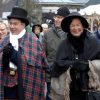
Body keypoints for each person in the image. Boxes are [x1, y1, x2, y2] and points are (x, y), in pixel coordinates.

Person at [0, 7, 49, 100]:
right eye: (10, 23)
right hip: (8, 86)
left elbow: (43, 64)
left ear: (23, 25)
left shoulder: (33, 41)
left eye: (15, 24)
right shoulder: (5, 40)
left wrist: (16, 56)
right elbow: (2, 65)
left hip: (28, 85)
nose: (12, 26)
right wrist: (5, 57)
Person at [51, 12, 100, 100]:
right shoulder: (63, 44)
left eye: (78, 25)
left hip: (91, 91)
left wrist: (88, 65)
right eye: (72, 26)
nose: (76, 28)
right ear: (69, 28)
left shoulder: (94, 42)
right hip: (70, 91)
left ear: (83, 26)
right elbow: (57, 65)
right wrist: (72, 64)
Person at [42, 6, 70, 100]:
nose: (57, 19)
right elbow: (42, 54)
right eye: (56, 17)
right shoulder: (47, 34)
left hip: (67, 75)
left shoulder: (71, 33)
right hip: (51, 75)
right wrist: (48, 69)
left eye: (60, 17)